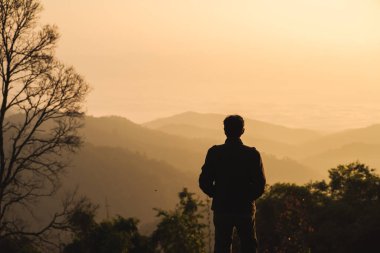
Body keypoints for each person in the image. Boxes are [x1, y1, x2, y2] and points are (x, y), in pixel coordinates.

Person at [199, 115, 266, 253]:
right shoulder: (252, 155)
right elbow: (260, 185)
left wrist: (217, 194)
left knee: (222, 246)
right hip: (245, 209)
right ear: (242, 131)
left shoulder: (215, 153)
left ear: (225, 130)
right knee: (249, 246)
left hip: (222, 207)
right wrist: (247, 197)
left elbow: (204, 182)